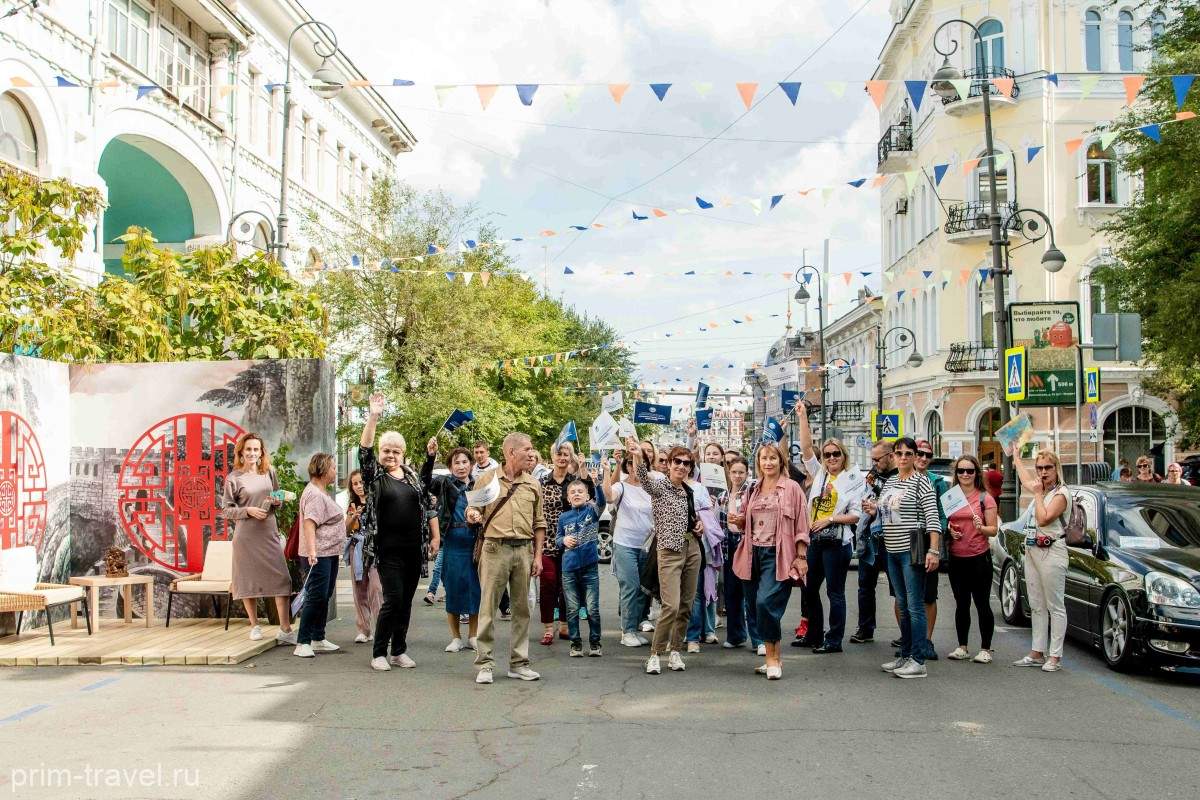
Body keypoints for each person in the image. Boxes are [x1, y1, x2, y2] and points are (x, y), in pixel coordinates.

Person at [360, 394, 439, 672]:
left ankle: (399, 651)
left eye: (395, 451)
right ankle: (378, 652)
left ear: (402, 454)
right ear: (380, 453)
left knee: (405, 602)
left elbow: (426, 490)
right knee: (392, 600)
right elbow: (364, 452)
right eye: (386, 450)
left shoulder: (412, 477)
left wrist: (431, 457)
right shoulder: (375, 478)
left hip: (413, 550)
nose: (391, 455)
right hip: (387, 550)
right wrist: (373, 416)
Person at [466, 432, 546, 684]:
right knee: (488, 608)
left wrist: (538, 556)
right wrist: (472, 515)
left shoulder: (533, 483)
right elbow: (472, 508)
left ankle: (519, 663)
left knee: (522, 610)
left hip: (524, 550)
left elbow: (539, 523)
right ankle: (485, 664)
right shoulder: (487, 479)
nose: (531, 453)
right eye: (527, 449)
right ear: (511, 452)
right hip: (494, 549)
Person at [729, 441, 809, 680]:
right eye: (764, 458)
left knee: (766, 603)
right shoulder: (753, 488)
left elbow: (802, 525)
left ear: (781, 461)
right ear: (758, 462)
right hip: (751, 553)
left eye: (773, 458)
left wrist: (801, 556)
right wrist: (740, 521)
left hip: (778, 554)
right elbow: (746, 521)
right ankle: (773, 657)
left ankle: (772, 659)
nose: (768, 462)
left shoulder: (792, 488)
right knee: (755, 607)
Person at [865, 437, 941, 679]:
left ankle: (918, 660)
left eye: (909, 453)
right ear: (893, 456)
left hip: (912, 548)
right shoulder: (891, 482)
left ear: (915, 456)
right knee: (902, 603)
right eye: (899, 453)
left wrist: (933, 551)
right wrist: (874, 508)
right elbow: (886, 510)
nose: (904, 457)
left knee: (915, 605)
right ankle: (905, 655)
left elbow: (933, 517)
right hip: (891, 548)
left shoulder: (922, 482)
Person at [627, 436, 704, 675]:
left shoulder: (689, 491)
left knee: (686, 606)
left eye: (686, 463)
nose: (681, 466)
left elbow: (691, 519)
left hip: (692, 548)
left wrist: (698, 525)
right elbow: (643, 477)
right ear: (669, 464)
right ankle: (655, 653)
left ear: (690, 468)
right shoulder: (660, 486)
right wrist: (637, 454)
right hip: (669, 551)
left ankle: (675, 651)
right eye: (677, 462)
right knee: (671, 605)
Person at [792, 406, 863, 654]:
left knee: (835, 592)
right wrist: (802, 417)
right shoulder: (820, 474)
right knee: (809, 588)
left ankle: (834, 640)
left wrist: (831, 519)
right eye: (828, 454)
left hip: (837, 543)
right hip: (815, 540)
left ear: (843, 456)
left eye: (836, 454)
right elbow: (806, 448)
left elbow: (856, 515)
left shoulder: (852, 479)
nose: (832, 458)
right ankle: (814, 634)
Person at [222, 433, 295, 646]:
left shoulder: (269, 472)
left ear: (261, 452)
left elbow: (278, 497)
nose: (252, 453)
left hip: (269, 532)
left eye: (256, 449)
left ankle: (285, 629)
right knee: (248, 580)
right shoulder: (233, 478)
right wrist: (248, 510)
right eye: (248, 449)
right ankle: (254, 625)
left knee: (282, 579)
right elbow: (226, 510)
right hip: (246, 535)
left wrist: (278, 501)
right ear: (241, 452)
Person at [1011, 449, 1070, 673]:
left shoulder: (1061, 493)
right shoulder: (1041, 488)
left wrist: (1036, 494)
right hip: (1033, 549)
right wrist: (1016, 457)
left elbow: (1044, 518)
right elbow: (1025, 479)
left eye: (1048, 468)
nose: (1043, 472)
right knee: (1037, 604)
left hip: (1052, 549)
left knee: (1055, 605)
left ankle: (1055, 656)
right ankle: (1037, 651)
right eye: (1039, 468)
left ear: (1056, 469)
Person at [423, 439, 481, 653]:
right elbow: (424, 481)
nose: (461, 466)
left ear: (471, 464)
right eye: (456, 462)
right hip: (452, 542)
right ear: (450, 466)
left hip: (475, 543)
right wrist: (430, 457)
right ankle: (456, 637)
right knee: (453, 588)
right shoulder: (444, 483)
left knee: (476, 590)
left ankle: (473, 636)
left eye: (465, 462)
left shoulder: (479, 485)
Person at [538, 442, 594, 646]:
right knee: (548, 584)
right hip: (547, 542)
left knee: (567, 586)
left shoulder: (575, 483)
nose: (562, 458)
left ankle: (564, 625)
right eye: (559, 454)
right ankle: (547, 628)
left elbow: (592, 497)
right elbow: (535, 512)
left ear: (571, 457)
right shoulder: (542, 482)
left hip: (571, 543)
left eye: (566, 454)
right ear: (552, 456)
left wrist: (584, 469)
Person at [944, 455, 999, 663]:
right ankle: (962, 647)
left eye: (970, 471)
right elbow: (945, 522)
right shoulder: (951, 496)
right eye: (961, 471)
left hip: (979, 557)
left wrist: (980, 527)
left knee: (982, 603)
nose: (965, 474)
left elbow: (993, 530)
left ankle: (985, 649)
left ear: (976, 473)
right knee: (961, 603)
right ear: (956, 474)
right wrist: (950, 530)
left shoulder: (985, 498)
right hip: (956, 557)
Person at [604, 441, 657, 647]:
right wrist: (607, 471)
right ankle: (627, 632)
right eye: (631, 463)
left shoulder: (652, 485)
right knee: (630, 586)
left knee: (643, 589)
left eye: (639, 462)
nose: (634, 466)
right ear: (626, 466)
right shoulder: (621, 486)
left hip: (647, 545)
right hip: (625, 543)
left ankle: (634, 628)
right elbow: (609, 496)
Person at [296, 453, 347, 658]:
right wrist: (312, 551)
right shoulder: (315, 494)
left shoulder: (320, 491)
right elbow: (310, 523)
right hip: (319, 554)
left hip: (329, 552)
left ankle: (318, 637)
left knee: (324, 595)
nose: (335, 471)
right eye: (333, 467)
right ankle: (303, 641)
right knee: (316, 596)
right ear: (324, 470)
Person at [850, 441, 896, 645]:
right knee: (865, 586)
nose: (875, 463)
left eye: (878, 459)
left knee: (898, 588)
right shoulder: (873, 475)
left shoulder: (898, 477)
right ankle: (865, 628)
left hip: (891, 538)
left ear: (891, 456)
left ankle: (906, 633)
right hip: (870, 538)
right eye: (873, 459)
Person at [556, 479, 607, 657]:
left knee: (592, 608)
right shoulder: (563, 517)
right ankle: (575, 644)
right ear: (568, 498)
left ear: (587, 496)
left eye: (580, 491)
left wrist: (598, 484)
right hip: (569, 569)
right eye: (572, 492)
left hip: (589, 568)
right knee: (572, 609)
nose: (576, 494)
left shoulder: (592, 511)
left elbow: (602, 501)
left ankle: (595, 643)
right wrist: (563, 540)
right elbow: (557, 538)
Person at [686, 440, 726, 651]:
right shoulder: (676, 484)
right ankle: (690, 634)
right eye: (708, 453)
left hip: (708, 542)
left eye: (715, 453)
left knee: (708, 588)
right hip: (684, 544)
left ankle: (706, 630)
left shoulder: (705, 486)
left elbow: (709, 513)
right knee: (690, 592)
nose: (711, 456)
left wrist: (710, 507)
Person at [721, 455, 762, 654]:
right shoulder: (723, 495)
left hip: (745, 542)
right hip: (728, 543)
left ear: (747, 473)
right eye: (734, 472)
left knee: (750, 592)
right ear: (729, 473)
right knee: (731, 592)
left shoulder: (752, 491)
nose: (737, 476)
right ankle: (735, 636)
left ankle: (758, 640)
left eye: (741, 472)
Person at [913, 440, 948, 661]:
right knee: (903, 594)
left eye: (928, 455)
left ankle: (926, 640)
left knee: (928, 593)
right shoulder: (899, 478)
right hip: (905, 539)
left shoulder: (937, 482)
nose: (924, 458)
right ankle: (909, 639)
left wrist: (936, 534)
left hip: (928, 539)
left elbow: (944, 514)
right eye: (920, 453)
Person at [344, 470, 382, 644]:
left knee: (376, 588)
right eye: (355, 484)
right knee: (359, 589)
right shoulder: (352, 505)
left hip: (375, 548)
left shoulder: (377, 500)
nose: (359, 486)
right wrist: (353, 518)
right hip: (357, 548)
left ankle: (382, 629)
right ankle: (364, 630)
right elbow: (347, 530)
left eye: (361, 482)